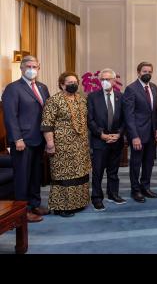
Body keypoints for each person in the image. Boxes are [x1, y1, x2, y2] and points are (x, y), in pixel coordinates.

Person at [2, 55, 50, 222]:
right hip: (22, 141)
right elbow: (10, 116)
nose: (31, 69)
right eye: (28, 66)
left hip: (39, 140)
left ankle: (35, 204)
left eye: (34, 66)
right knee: (22, 177)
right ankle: (23, 211)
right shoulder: (13, 88)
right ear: (21, 68)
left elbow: (47, 114)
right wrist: (17, 139)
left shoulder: (43, 88)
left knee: (36, 175)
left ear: (39, 67)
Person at [41, 72, 91, 217]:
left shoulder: (81, 100)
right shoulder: (53, 101)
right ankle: (61, 207)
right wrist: (50, 143)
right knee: (63, 176)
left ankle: (78, 203)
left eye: (75, 82)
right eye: (69, 82)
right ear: (62, 84)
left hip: (80, 145)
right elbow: (47, 124)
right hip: (62, 145)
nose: (73, 84)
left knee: (80, 174)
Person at [87, 68, 126, 211]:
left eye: (108, 79)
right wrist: (101, 134)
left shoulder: (121, 97)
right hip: (99, 140)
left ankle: (113, 194)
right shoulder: (92, 97)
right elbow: (89, 120)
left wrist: (119, 133)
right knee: (98, 171)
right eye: (102, 79)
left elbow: (125, 119)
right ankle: (97, 198)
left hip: (116, 140)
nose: (105, 82)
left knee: (113, 171)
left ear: (114, 81)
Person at [122, 62, 157, 203]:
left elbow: (155, 111)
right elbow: (129, 115)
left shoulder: (154, 87)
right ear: (138, 72)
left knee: (149, 163)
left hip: (151, 133)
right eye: (144, 71)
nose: (147, 73)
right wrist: (134, 136)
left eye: (150, 71)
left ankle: (145, 187)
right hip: (138, 134)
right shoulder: (131, 89)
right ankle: (135, 190)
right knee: (136, 163)